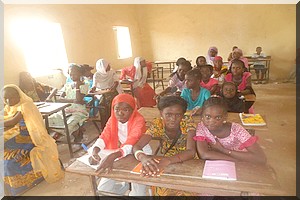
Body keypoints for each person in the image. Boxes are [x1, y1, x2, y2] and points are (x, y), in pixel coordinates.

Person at [2, 84, 64, 196]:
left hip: (32, 139)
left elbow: (12, 122)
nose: (8, 100)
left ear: (19, 95)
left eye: (11, 97)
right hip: (18, 137)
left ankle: (20, 187)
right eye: (5, 98)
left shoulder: (26, 106)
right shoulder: (9, 107)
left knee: (9, 163)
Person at [87, 93, 152, 196]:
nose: (120, 113)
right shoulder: (112, 119)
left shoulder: (138, 120)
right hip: (121, 153)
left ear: (133, 110)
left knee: (137, 194)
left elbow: (131, 141)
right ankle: (125, 186)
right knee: (103, 189)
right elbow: (104, 136)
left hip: (141, 154)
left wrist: (113, 156)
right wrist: (95, 152)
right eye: (117, 109)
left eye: (125, 110)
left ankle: (133, 188)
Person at [132, 95, 198, 196]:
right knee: (162, 188)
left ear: (183, 114)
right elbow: (137, 146)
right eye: (168, 114)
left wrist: (168, 160)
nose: (173, 119)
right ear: (161, 113)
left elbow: (191, 152)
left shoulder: (188, 123)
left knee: (186, 190)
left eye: (178, 115)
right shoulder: (158, 124)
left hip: (187, 159)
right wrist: (143, 158)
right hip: (167, 160)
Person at [193, 97, 266, 164]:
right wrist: (234, 161)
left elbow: (260, 158)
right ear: (202, 116)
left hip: (245, 162)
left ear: (225, 117)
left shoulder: (236, 129)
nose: (212, 121)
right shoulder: (202, 127)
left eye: (218, 117)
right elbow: (204, 154)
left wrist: (223, 150)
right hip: (227, 162)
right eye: (208, 117)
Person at [50, 64, 89, 142]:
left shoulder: (84, 85)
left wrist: (77, 86)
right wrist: (72, 101)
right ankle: (76, 130)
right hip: (66, 109)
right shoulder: (67, 85)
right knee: (47, 121)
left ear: (80, 74)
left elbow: (78, 99)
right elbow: (60, 99)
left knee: (68, 126)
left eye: (75, 74)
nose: (72, 76)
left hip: (79, 111)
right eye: (70, 74)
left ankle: (74, 131)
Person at [89, 59, 121, 124]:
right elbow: (94, 85)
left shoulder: (112, 72)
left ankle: (114, 119)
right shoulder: (97, 75)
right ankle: (106, 122)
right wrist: (92, 89)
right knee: (103, 103)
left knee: (110, 101)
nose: (109, 66)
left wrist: (112, 88)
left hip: (112, 91)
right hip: (101, 93)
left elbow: (116, 82)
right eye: (107, 65)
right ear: (103, 67)